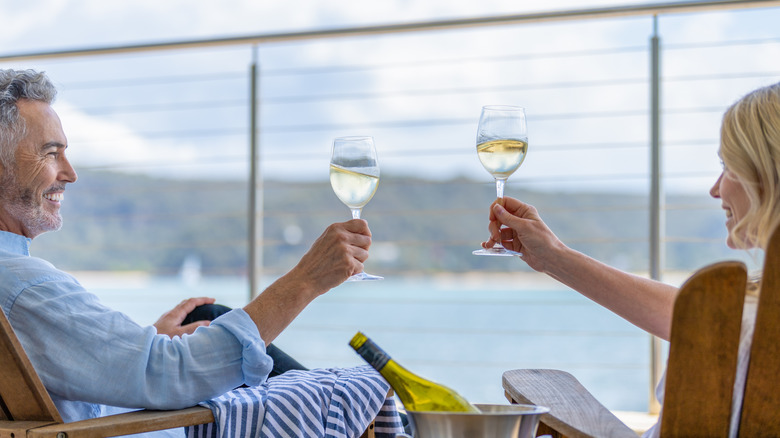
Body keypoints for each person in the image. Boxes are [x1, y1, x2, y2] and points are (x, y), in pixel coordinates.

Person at [0, 68, 375, 436]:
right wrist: (306, 280)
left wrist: (139, 344)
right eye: (51, 153)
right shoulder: (22, 287)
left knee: (206, 316)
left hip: (109, 408)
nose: (70, 173)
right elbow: (173, 375)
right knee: (340, 395)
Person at [481, 81, 780, 437]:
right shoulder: (746, 315)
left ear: (767, 176)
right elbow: (688, 314)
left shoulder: (729, 323)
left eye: (728, 167)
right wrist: (554, 257)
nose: (715, 189)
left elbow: (704, 320)